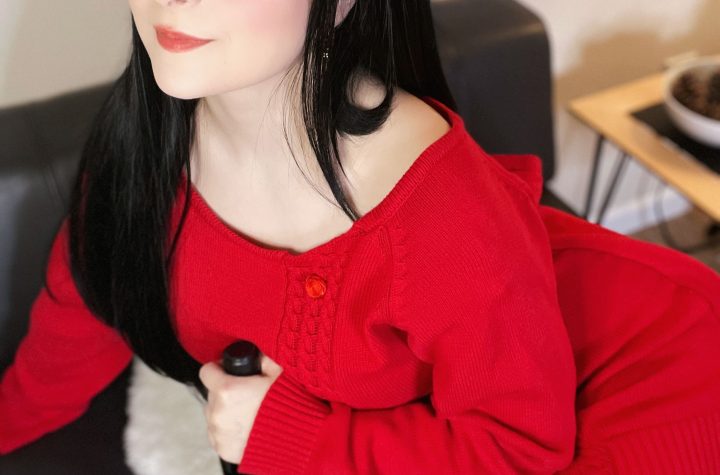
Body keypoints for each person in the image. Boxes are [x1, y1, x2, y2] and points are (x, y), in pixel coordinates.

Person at [2, 0, 719, 474]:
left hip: (642, 393)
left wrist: (289, 437)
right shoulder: (139, 152)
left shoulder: (443, 212)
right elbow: (77, 322)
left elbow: (518, 449)